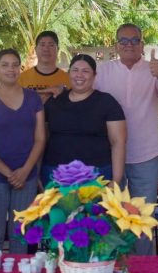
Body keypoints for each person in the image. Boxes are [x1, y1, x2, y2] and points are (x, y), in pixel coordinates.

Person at [94, 23, 158, 255]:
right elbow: (84, 96)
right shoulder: (102, 71)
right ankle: (116, 263)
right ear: (116, 45)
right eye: (124, 40)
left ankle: (144, 266)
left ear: (142, 44)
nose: (129, 45)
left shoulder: (154, 69)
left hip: (145, 154)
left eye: (134, 40)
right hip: (110, 155)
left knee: (142, 215)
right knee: (113, 213)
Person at [0, 48, 46, 254]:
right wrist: (10, 174)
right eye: (4, 65)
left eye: (15, 65)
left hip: (26, 177)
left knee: (19, 233)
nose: (10, 69)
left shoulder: (33, 98)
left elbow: (40, 139)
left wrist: (25, 171)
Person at [42, 53, 126, 185]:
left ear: (94, 75)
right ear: (69, 73)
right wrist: (37, 174)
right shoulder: (54, 101)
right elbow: (42, 139)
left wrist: (116, 179)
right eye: (75, 70)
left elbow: (118, 142)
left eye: (85, 71)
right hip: (55, 175)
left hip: (97, 175)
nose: (79, 75)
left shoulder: (107, 102)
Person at [18, 31, 70, 103]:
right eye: (42, 45)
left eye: (51, 45)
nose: (46, 49)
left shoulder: (69, 80)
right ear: (35, 49)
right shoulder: (21, 79)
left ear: (57, 49)